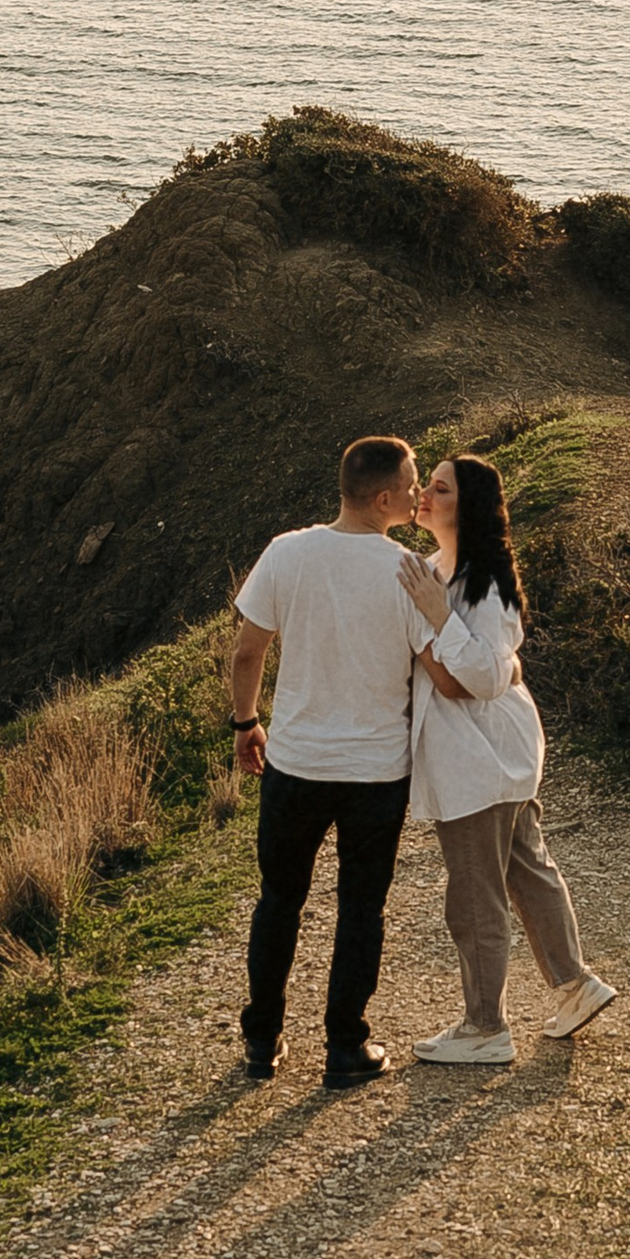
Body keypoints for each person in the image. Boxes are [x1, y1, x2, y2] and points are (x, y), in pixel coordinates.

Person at [394, 451, 616, 1068]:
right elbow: (474, 672)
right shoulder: (438, 569)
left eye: (440, 489)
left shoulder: (477, 583)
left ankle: (485, 1026)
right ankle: (575, 984)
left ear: (467, 508)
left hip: (480, 757)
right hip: (495, 752)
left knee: (475, 896)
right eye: (429, 485)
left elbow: (481, 679)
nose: (425, 495)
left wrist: (436, 621)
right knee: (526, 871)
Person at [227, 434, 423, 1090]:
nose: (418, 493)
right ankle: (345, 1046)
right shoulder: (410, 572)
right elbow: (433, 669)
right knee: (362, 908)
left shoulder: (287, 552)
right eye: (412, 483)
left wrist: (246, 722)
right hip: (376, 772)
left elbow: (248, 651)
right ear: (385, 499)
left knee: (279, 901)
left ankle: (262, 1040)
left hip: (296, 763)